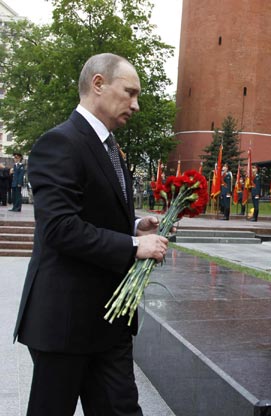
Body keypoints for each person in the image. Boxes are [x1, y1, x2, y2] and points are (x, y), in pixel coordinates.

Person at [13, 53, 169, 416]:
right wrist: (134, 246)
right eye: (129, 93)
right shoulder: (59, 143)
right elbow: (59, 228)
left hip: (110, 322)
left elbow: (93, 214)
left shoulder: (111, 147)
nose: (136, 104)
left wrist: (135, 227)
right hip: (65, 323)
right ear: (98, 84)